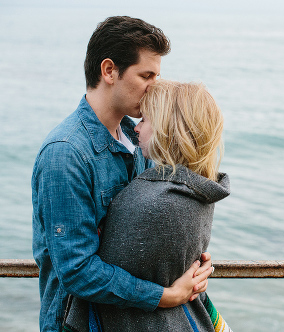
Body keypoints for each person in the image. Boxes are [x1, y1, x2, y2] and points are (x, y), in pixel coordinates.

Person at [31, 16, 212, 332]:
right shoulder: (66, 153)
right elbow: (76, 270)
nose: (154, 86)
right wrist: (164, 295)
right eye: (146, 75)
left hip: (128, 321)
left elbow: (146, 227)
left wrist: (188, 262)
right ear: (109, 71)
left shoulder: (138, 137)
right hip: (78, 323)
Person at [63, 80, 231, 331]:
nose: (137, 128)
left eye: (145, 120)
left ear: (166, 129)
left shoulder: (152, 201)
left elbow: (99, 268)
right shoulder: (199, 189)